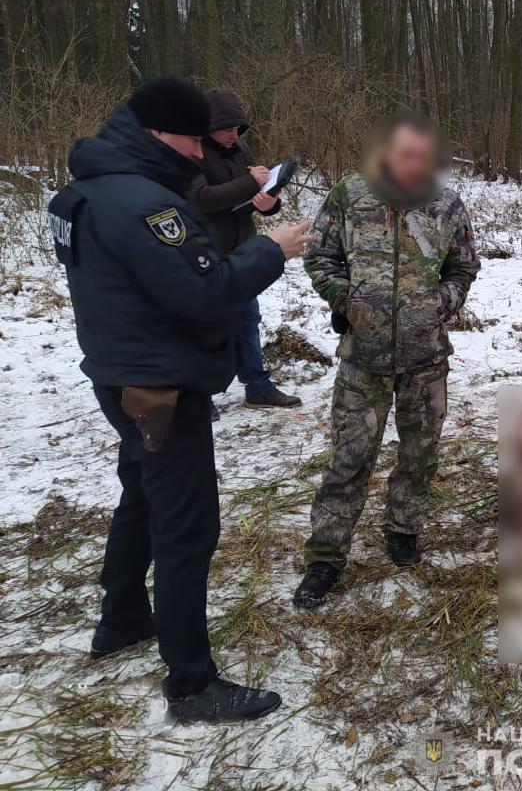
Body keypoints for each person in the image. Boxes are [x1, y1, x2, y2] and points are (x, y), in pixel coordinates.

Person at [48, 76, 313, 721]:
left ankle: (121, 619)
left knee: (142, 494)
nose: (200, 154)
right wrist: (270, 250)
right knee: (187, 526)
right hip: (160, 384)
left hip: (120, 373)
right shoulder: (144, 205)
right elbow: (203, 289)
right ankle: (192, 685)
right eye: (193, 141)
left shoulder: (82, 192)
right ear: (157, 132)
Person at [293, 110, 481, 609]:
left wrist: (441, 303)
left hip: (426, 358)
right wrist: (346, 299)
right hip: (364, 358)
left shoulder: (446, 204)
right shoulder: (350, 195)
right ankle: (325, 557)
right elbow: (320, 255)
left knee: (419, 455)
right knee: (349, 459)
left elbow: (464, 266)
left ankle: (403, 530)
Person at [188, 87, 301, 409]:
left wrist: (269, 203)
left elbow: (258, 196)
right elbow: (200, 199)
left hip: (243, 248)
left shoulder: (240, 149)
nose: (233, 135)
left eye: (237, 129)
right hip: (205, 252)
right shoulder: (192, 153)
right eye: (227, 129)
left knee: (248, 318)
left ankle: (258, 385)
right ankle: (199, 395)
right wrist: (250, 183)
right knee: (206, 325)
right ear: (209, 128)